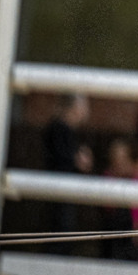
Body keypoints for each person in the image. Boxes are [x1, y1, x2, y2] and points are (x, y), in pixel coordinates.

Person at [42, 93, 93, 254]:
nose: (86, 111)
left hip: (65, 192)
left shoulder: (68, 130)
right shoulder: (58, 128)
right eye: (83, 106)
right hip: (56, 192)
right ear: (74, 108)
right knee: (59, 233)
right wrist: (77, 159)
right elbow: (59, 158)